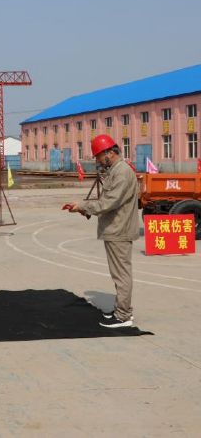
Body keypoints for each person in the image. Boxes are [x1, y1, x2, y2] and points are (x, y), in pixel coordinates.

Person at [64, 134, 139, 328]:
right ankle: (121, 310)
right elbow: (107, 202)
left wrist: (83, 206)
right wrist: (83, 209)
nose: (97, 160)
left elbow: (109, 202)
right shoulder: (115, 170)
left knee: (121, 274)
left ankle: (123, 316)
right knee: (118, 273)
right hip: (115, 228)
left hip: (119, 229)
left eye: (98, 156)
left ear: (110, 153)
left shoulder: (122, 172)